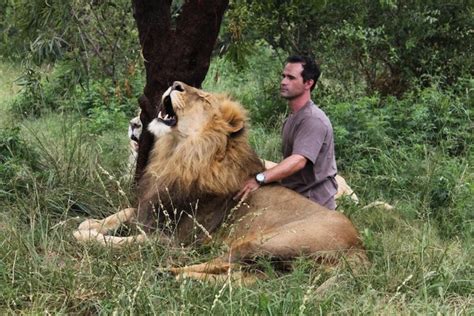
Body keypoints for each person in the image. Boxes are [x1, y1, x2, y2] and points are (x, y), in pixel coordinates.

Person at [234, 55, 338, 210]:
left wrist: (260, 178)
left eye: (291, 78)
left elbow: (298, 161)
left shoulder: (313, 120)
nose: (283, 82)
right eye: (283, 76)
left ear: (308, 83)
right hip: (294, 196)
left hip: (314, 203)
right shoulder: (294, 117)